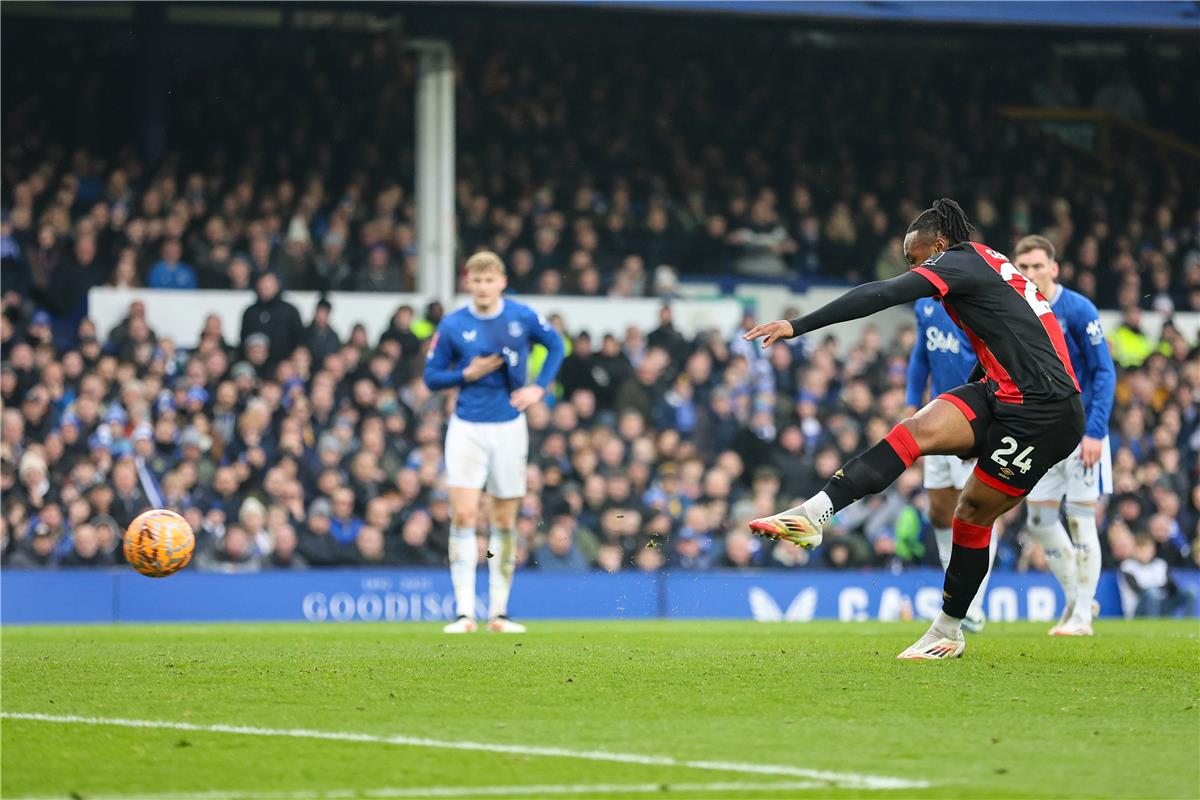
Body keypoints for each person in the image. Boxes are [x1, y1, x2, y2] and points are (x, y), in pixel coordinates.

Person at [744, 199, 1083, 660]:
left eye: (915, 258)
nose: (912, 269)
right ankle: (814, 515)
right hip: (1000, 391)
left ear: (938, 247)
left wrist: (798, 324)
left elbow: (883, 293)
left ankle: (948, 630)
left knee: (971, 514)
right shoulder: (984, 261)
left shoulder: (957, 263)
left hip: (1045, 412)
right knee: (915, 431)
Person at [424, 251, 564, 633]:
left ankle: (498, 613)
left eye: (489, 280)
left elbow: (557, 346)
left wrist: (538, 387)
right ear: (468, 283)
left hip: (508, 427)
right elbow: (432, 377)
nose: (483, 287)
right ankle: (464, 613)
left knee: (504, 520)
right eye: (476, 280)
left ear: (501, 282)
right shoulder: (453, 325)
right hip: (467, 427)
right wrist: (464, 374)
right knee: (465, 515)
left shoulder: (520, 316)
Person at [1013, 235, 1116, 636]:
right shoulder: (1017, 312)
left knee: (1080, 517)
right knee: (1038, 520)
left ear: (1054, 268)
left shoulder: (1078, 309)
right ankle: (1078, 597)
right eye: (1023, 267)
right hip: (1042, 433)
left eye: (1038, 266)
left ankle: (1082, 618)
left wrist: (1095, 431)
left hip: (1083, 432)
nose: (1031, 273)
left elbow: (1104, 372)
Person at [905, 295, 996, 632]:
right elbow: (921, 356)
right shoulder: (924, 306)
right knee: (940, 511)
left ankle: (973, 602)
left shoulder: (976, 300)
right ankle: (953, 587)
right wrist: (911, 402)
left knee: (977, 507)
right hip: (938, 414)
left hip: (974, 415)